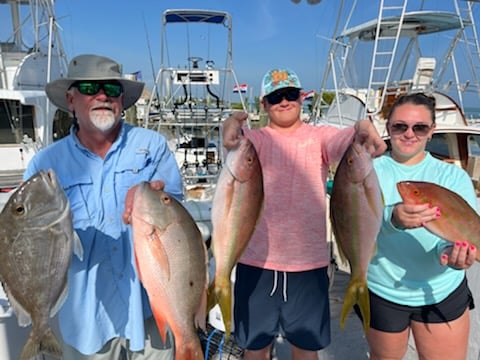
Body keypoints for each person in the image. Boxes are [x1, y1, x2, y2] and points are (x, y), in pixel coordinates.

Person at [23, 54, 183, 359]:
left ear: (121, 100)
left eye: (111, 89)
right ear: (70, 100)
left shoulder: (153, 147)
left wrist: (155, 197)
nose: (102, 96)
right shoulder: (45, 165)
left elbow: (177, 219)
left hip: (151, 307)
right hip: (84, 320)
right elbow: (29, 244)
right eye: (89, 87)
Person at [222, 68, 387, 360]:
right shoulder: (256, 142)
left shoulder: (320, 137)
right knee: (254, 348)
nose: (284, 102)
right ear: (264, 105)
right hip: (256, 263)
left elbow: (346, 143)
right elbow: (235, 140)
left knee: (306, 348)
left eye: (290, 94)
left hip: (308, 267)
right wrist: (231, 122)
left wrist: (363, 126)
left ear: (302, 98)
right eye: (275, 97)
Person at [364, 92, 477, 360]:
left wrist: (450, 254)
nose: (409, 134)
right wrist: (393, 220)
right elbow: (356, 224)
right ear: (387, 128)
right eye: (399, 126)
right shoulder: (368, 171)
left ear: (432, 131)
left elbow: (455, 231)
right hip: (384, 289)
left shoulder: (453, 176)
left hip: (442, 290)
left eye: (420, 127)